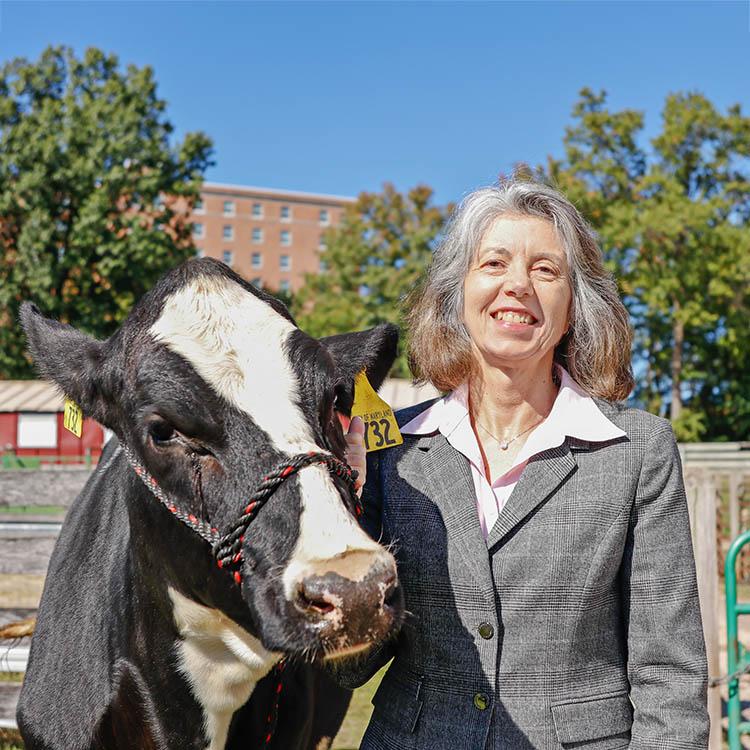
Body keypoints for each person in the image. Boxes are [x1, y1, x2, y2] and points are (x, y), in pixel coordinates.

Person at [339, 179, 709, 750]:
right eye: (493, 263)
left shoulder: (638, 451)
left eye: (545, 270)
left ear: (573, 309)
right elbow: (348, 667)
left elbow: (670, 681)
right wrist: (335, 515)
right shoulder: (394, 450)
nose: (517, 284)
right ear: (457, 295)